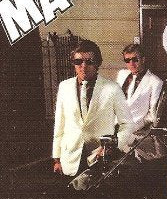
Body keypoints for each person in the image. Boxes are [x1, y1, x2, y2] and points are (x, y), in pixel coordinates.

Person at [53, 40, 134, 176]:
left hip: (100, 159)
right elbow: (59, 124)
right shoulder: (64, 87)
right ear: (73, 63)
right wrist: (57, 158)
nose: (83, 66)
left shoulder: (112, 89)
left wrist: (112, 146)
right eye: (78, 62)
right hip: (70, 159)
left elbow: (127, 124)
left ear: (97, 63)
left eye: (89, 61)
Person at [116, 43, 163, 133]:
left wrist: (137, 126)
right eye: (127, 60)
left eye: (135, 59)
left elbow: (152, 114)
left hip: (134, 129)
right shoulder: (122, 74)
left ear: (143, 59)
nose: (131, 64)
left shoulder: (155, 82)